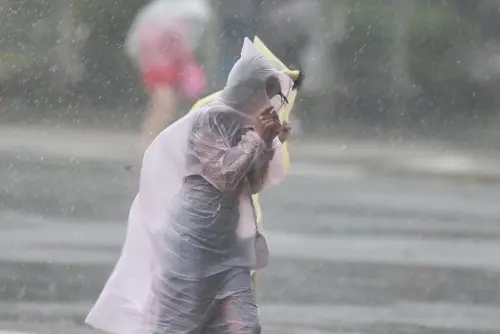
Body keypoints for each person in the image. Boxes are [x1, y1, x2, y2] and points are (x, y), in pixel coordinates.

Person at [85, 38, 293, 334]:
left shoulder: (249, 126)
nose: (271, 105)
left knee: (245, 326)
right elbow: (224, 175)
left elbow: (252, 184)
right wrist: (257, 139)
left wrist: (271, 143)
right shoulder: (210, 119)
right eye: (267, 95)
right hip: (192, 242)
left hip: (229, 247)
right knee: (179, 326)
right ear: (249, 90)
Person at [125, 0, 210, 151]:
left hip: (166, 67)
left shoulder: (166, 20)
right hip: (159, 68)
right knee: (164, 105)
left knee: (162, 106)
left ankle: (150, 142)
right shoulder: (165, 24)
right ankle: (148, 143)